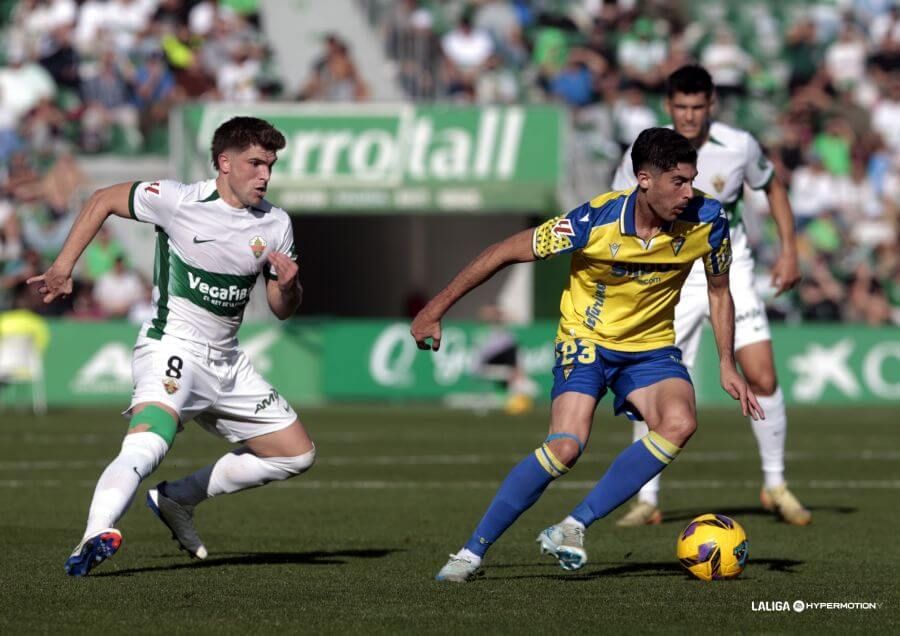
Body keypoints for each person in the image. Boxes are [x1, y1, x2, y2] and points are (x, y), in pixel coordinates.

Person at [411, 127, 763, 582]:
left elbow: (719, 291)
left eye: (692, 180)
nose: (689, 192)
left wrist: (726, 363)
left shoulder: (709, 221)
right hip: (586, 340)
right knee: (566, 446)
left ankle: (572, 526)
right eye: (678, 181)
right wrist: (434, 310)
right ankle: (470, 553)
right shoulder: (591, 222)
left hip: (651, 347)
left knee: (680, 422)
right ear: (643, 179)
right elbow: (503, 252)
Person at [28, 116, 316, 576]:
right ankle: (95, 533)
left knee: (296, 454)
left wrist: (291, 286)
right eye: (255, 163)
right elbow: (101, 199)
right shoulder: (178, 200)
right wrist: (63, 266)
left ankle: (178, 497)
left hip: (228, 362)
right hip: (173, 348)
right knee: (147, 445)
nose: (265, 175)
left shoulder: (276, 223)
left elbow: (282, 308)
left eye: (271, 165)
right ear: (224, 162)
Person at [611, 65, 808, 527]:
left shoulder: (739, 145)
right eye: (681, 107)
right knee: (651, 385)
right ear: (669, 105)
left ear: (711, 104)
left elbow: (772, 188)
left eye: (698, 107)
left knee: (760, 373)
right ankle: (647, 498)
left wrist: (789, 253)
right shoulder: (646, 150)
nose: (689, 116)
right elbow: (620, 207)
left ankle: (775, 485)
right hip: (671, 278)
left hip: (731, 269)